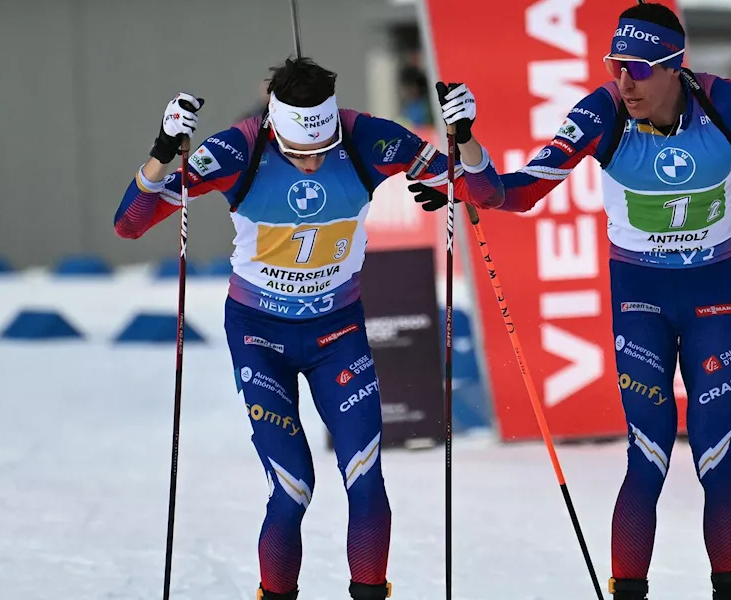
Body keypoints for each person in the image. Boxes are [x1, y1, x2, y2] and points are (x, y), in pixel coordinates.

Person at [409, 2, 731, 600]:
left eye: (638, 68)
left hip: (713, 300)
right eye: (615, 65)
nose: (624, 81)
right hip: (642, 301)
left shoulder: (725, 104)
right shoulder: (602, 113)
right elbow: (513, 193)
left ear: (674, 68)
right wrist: (466, 153)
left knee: (715, 455)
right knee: (648, 453)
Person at [115, 57, 504, 600]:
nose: (310, 165)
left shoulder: (369, 138)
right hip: (259, 335)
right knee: (294, 487)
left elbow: (484, 193)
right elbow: (130, 223)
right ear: (275, 127)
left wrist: (463, 138)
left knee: (365, 476)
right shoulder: (239, 149)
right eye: (297, 152)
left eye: (321, 151)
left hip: (336, 334)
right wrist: (162, 150)